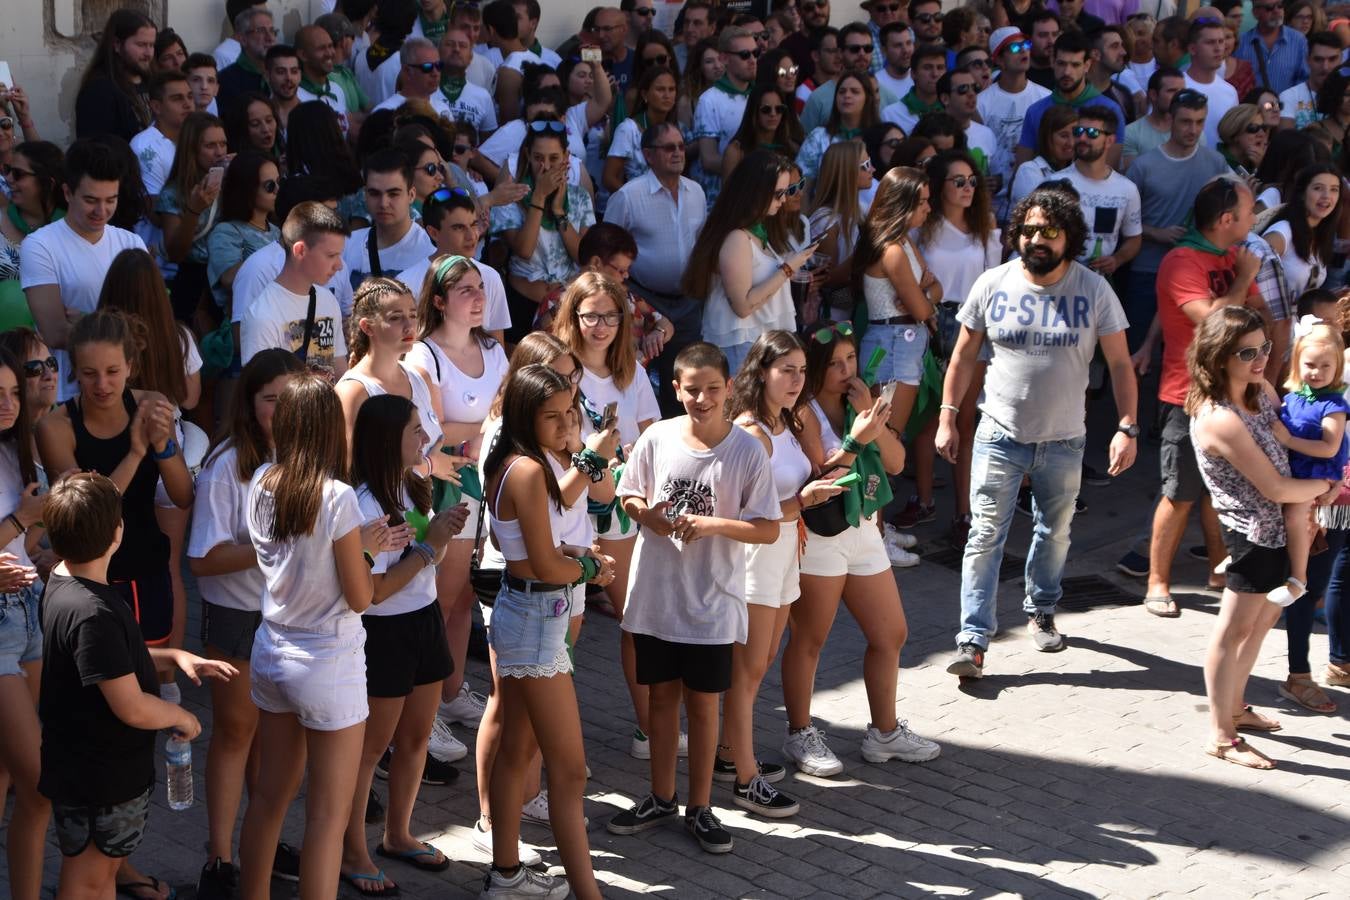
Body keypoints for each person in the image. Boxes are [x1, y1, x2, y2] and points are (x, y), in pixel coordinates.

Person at [937, 186, 1138, 676]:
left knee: (1055, 533)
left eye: (1049, 230)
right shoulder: (992, 283)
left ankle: (1042, 609)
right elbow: (963, 357)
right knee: (984, 535)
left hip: (1065, 440)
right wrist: (946, 415)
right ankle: (972, 640)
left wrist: (1127, 427)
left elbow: (1120, 365)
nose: (1036, 239)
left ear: (1070, 236)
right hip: (998, 435)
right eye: (1028, 229)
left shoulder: (1093, 289)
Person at [606, 342, 779, 854]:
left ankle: (700, 807)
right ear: (675, 389)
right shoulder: (657, 437)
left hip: (713, 600)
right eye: (691, 389)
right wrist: (648, 516)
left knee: (704, 707)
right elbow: (628, 493)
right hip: (656, 596)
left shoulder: (746, 451)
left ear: (728, 389)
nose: (701, 399)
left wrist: (710, 525)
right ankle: (661, 796)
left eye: (712, 389)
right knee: (662, 701)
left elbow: (768, 528)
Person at [38, 471, 234, 900]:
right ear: (117, 532)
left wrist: (174, 656)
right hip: (99, 777)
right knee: (90, 877)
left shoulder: (62, 582)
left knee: (97, 875)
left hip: (83, 769)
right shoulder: (92, 612)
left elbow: (104, 665)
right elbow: (131, 705)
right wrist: (181, 715)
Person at [778, 317, 933, 775]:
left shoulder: (861, 399)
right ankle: (800, 733)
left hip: (865, 530)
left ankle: (884, 734)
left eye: (851, 359)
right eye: (835, 362)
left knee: (891, 633)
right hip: (822, 535)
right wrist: (854, 437)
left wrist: (872, 419)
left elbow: (898, 461)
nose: (846, 370)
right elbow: (816, 475)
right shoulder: (803, 409)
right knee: (810, 638)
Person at [481, 364, 614, 897]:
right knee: (571, 770)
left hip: (526, 612)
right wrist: (590, 569)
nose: (565, 426)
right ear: (524, 415)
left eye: (570, 414)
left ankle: (507, 874)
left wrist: (576, 556)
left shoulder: (510, 462)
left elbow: (533, 550)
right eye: (552, 417)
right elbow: (540, 564)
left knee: (517, 749)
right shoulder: (530, 471)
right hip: (536, 618)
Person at [1188, 307, 1332, 769]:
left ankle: (1235, 708)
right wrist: (1328, 488)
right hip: (1253, 536)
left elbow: (1294, 447)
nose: (1259, 359)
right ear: (1218, 357)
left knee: (1260, 625)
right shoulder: (1220, 418)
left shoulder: (1261, 392)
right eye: (1247, 352)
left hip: (1282, 531)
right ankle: (1222, 735)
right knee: (1232, 632)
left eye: (1264, 347)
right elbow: (1274, 487)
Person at [189, 349, 306, 899]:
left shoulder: (303, 455)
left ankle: (265, 838)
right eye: (269, 399)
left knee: (270, 737)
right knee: (236, 733)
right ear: (249, 401)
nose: (280, 410)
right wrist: (270, 548)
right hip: (237, 614)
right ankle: (219, 856)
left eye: (290, 398)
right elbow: (203, 560)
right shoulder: (227, 464)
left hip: (287, 613)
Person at [340, 394, 467, 894]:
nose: (425, 438)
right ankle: (353, 851)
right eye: (416, 429)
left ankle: (398, 833)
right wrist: (431, 546)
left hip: (423, 619)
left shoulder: (414, 483)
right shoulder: (365, 501)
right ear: (386, 439)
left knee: (415, 740)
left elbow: (418, 563)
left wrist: (436, 537)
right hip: (383, 631)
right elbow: (371, 592)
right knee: (370, 750)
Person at [720, 331, 841, 817]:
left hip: (786, 552)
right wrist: (803, 502)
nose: (796, 380)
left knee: (762, 659)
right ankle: (745, 780)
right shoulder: (751, 432)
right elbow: (746, 513)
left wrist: (811, 496)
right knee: (747, 670)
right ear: (761, 372)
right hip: (756, 558)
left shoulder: (786, 421)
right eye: (785, 370)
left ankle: (730, 756)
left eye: (801, 370)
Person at [1136, 177, 1262, 618]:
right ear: (1227, 219)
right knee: (1181, 494)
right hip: (1186, 397)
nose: (1254, 220)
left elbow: (1254, 313)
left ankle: (1217, 571)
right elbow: (1214, 323)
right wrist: (1244, 278)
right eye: (1249, 213)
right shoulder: (1181, 260)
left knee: (1219, 493)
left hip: (1233, 396)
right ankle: (1157, 582)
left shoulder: (1230, 255)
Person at [913, 149, 1002, 545]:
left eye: (972, 181)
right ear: (939, 186)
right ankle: (924, 499)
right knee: (927, 415)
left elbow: (994, 281)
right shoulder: (922, 228)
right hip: (930, 319)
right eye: (958, 181)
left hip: (972, 322)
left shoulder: (985, 227)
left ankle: (964, 512)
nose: (968, 188)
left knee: (964, 420)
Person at [20, 140, 145, 401]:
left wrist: (86, 321)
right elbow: (54, 333)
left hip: (130, 388)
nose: (101, 211)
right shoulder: (40, 245)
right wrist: (124, 328)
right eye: (90, 200)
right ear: (67, 193)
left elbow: (150, 325)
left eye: (111, 200)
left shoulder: (131, 242)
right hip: (70, 394)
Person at [604, 122, 709, 414]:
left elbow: (700, 244)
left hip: (687, 302)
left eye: (680, 146)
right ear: (648, 155)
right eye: (668, 147)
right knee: (642, 383)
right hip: (644, 301)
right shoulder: (628, 196)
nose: (678, 153)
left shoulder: (697, 192)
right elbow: (607, 250)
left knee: (684, 377)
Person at [684, 150, 814, 375]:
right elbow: (742, 306)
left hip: (762, 343)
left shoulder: (759, 230)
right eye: (778, 193)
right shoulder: (736, 237)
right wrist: (787, 268)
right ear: (756, 192)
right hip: (743, 345)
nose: (783, 200)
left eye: (785, 192)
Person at [1123, 88, 1229, 352]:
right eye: (1185, 121)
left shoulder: (1215, 162)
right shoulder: (1144, 165)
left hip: (1196, 273)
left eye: (1199, 122)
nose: (1193, 129)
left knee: (1186, 352)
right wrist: (1155, 233)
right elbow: (1122, 220)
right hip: (1148, 269)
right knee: (1138, 350)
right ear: (1170, 119)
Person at [0, 345, 46, 900]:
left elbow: (25, 535)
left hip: (28, 609)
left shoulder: (17, 450)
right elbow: (18, 521)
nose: (9, 404)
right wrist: (20, 521)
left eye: (13, 392)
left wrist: (38, 547)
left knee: (13, 776)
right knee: (39, 782)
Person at [854, 166, 939, 441]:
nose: (928, 208)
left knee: (889, 437)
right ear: (903, 204)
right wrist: (924, 300)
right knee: (885, 438)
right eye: (922, 202)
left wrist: (924, 296)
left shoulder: (904, 241)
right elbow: (922, 310)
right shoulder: (891, 249)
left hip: (904, 342)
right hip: (892, 345)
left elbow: (935, 288)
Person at [1271, 320, 1349, 612]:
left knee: (1295, 517)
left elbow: (1329, 447)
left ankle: (1298, 581)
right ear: (1297, 362)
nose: (1316, 372)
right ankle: (1247, 555)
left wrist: (1288, 439)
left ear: (1337, 367)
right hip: (1292, 468)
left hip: (1317, 471)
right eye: (1310, 364)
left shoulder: (1334, 406)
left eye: (1325, 366)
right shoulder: (1292, 397)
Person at [240, 200, 349, 377]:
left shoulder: (327, 300)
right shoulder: (262, 316)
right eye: (331, 255)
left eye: (340, 255)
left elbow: (340, 371)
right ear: (300, 251)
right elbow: (261, 391)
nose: (339, 265)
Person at [492, 123, 595, 304]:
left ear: (566, 157)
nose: (545, 166)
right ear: (527, 156)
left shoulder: (580, 197)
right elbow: (524, 251)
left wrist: (558, 210)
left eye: (554, 158)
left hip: (567, 300)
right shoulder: (510, 196)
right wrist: (539, 196)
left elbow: (582, 257)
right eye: (538, 158)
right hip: (523, 298)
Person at [397, 188, 511, 341]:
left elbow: (497, 347)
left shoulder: (490, 277)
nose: (471, 236)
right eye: (459, 228)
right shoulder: (406, 283)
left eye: (474, 224)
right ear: (433, 232)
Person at [1016, 32, 1127, 168]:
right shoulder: (1035, 111)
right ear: (1052, 62)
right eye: (1061, 63)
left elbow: (1110, 171)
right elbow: (1022, 169)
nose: (1067, 72)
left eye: (1075, 65)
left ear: (1087, 66)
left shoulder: (1110, 110)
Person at [157, 113, 229, 320]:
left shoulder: (229, 182)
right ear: (192, 149)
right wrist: (194, 210)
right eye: (210, 146)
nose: (219, 152)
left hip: (226, 275)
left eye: (223, 144)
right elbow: (176, 252)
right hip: (193, 281)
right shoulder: (173, 193)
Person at [1060, 104, 1142, 272]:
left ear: (1110, 141)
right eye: (1078, 131)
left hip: (1099, 283)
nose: (1082, 138)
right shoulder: (1055, 183)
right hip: (1059, 279)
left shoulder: (1127, 189)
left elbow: (1134, 238)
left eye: (1092, 133)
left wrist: (1117, 259)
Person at [979, 27, 1050, 214]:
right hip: (993, 204)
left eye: (1026, 45)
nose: (1024, 50)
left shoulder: (1045, 97)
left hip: (1035, 198)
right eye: (1015, 48)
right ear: (999, 60)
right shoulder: (981, 102)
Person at [344, 148, 436, 288]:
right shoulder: (345, 246)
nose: (383, 203)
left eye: (393, 194)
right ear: (365, 195)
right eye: (374, 193)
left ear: (411, 195)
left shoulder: (431, 252)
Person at [206, 152, 281, 312]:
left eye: (278, 182)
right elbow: (230, 279)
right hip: (245, 323)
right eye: (270, 186)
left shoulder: (277, 231)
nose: (277, 190)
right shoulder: (225, 232)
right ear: (248, 190)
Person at [693, 26, 760, 204]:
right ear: (724, 58)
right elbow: (708, 159)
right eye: (745, 55)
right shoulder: (709, 100)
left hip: (758, 197)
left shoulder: (762, 96)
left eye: (756, 53)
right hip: (722, 201)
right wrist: (756, 169)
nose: (752, 60)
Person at [75, 9, 156, 142]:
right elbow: (97, 151)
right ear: (117, 44)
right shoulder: (99, 90)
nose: (148, 53)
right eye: (141, 45)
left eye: (151, 45)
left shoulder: (153, 82)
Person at [605, 66, 683, 192]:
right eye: (660, 89)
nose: (667, 95)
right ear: (645, 94)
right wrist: (633, 201)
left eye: (672, 89)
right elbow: (609, 178)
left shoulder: (676, 128)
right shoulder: (628, 129)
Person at [797, 71, 879, 181]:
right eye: (841, 92)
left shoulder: (880, 137)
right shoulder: (819, 137)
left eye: (855, 92)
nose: (847, 95)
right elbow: (803, 185)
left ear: (868, 99)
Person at [719, 85, 802, 192]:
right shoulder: (736, 152)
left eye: (779, 109)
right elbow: (728, 198)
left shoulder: (792, 149)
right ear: (754, 112)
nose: (773, 114)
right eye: (766, 109)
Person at [130, 72, 194, 208]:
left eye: (190, 96)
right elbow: (155, 210)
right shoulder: (145, 146)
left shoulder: (197, 136)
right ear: (156, 107)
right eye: (177, 99)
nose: (188, 104)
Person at [1234, 0, 1309, 97]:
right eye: (1269, 8)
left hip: (1286, 109)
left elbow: (1304, 79)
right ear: (1255, 13)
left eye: (1280, 5)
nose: (1276, 11)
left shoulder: (1299, 41)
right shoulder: (1241, 43)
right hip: (1252, 109)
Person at [1009, 103, 1076, 208]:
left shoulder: (1080, 170)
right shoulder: (1028, 170)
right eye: (1064, 136)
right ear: (1047, 137)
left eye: (1075, 134)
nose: (1071, 143)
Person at [372, 38, 455, 120]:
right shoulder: (385, 112)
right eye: (427, 67)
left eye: (439, 66)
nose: (435, 73)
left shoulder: (443, 109)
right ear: (407, 71)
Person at [1123, 67, 1185, 169]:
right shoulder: (1131, 133)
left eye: (1182, 91)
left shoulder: (1192, 130)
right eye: (1171, 91)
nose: (1178, 96)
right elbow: (1132, 177)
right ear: (1153, 95)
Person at [1277, 30, 1340, 130]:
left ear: (1341, 60)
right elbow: (1285, 141)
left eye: (1332, 59)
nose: (1325, 67)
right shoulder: (1289, 96)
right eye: (1318, 59)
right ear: (1307, 60)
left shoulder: (1346, 96)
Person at [218, 7, 276, 109]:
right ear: (243, 39)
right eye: (261, 31)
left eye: (272, 31)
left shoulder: (283, 73)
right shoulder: (226, 81)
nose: (270, 38)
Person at [880, 44, 946, 135]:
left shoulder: (954, 109)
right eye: (927, 68)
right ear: (913, 74)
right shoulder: (890, 114)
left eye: (940, 68)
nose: (935, 74)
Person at [263, 45, 303, 133]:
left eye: (294, 71)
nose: (289, 78)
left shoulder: (313, 113)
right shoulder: (261, 117)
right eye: (281, 72)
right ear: (267, 75)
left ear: (300, 75)